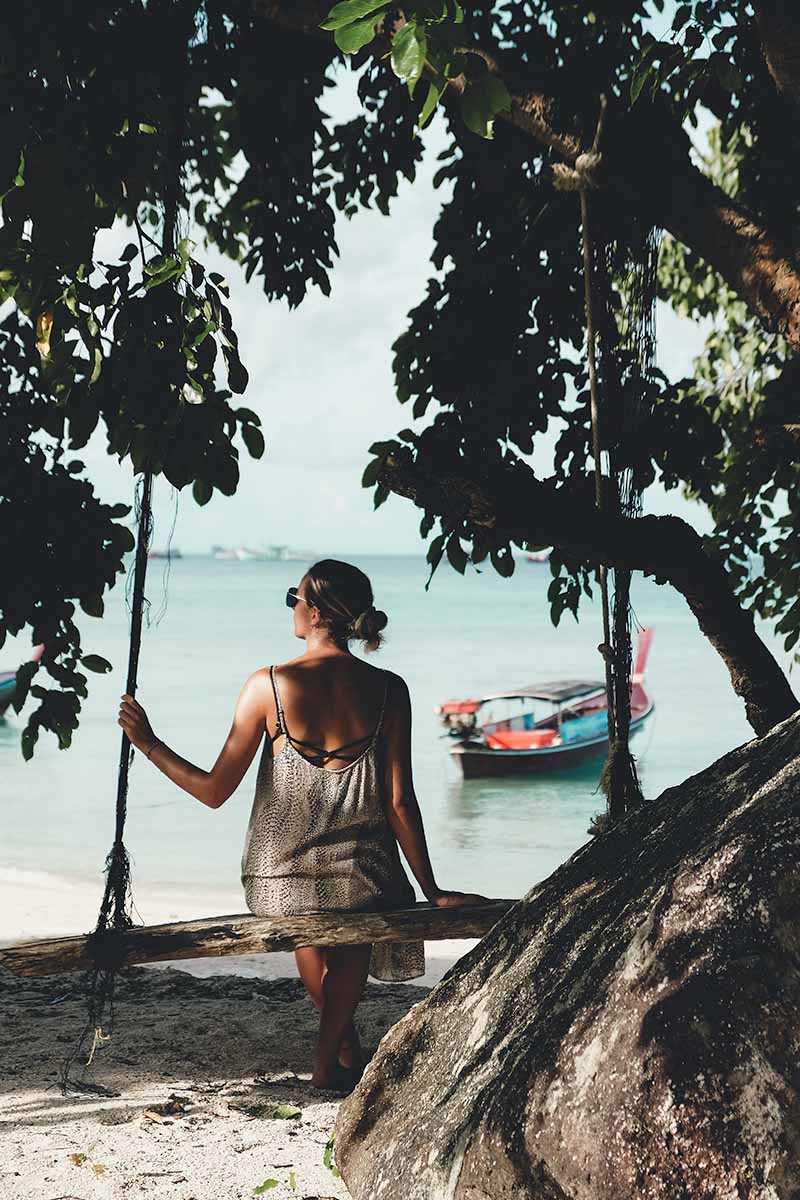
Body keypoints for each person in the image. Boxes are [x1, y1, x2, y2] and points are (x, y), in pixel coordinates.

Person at [118, 558, 489, 1092]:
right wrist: (432, 889)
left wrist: (149, 744)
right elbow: (400, 801)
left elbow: (213, 791)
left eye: (294, 597)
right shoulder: (389, 690)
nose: (292, 606)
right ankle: (334, 1049)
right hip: (365, 879)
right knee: (356, 909)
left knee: (309, 908)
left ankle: (337, 1049)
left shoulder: (267, 686)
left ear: (313, 611)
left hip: (277, 879)